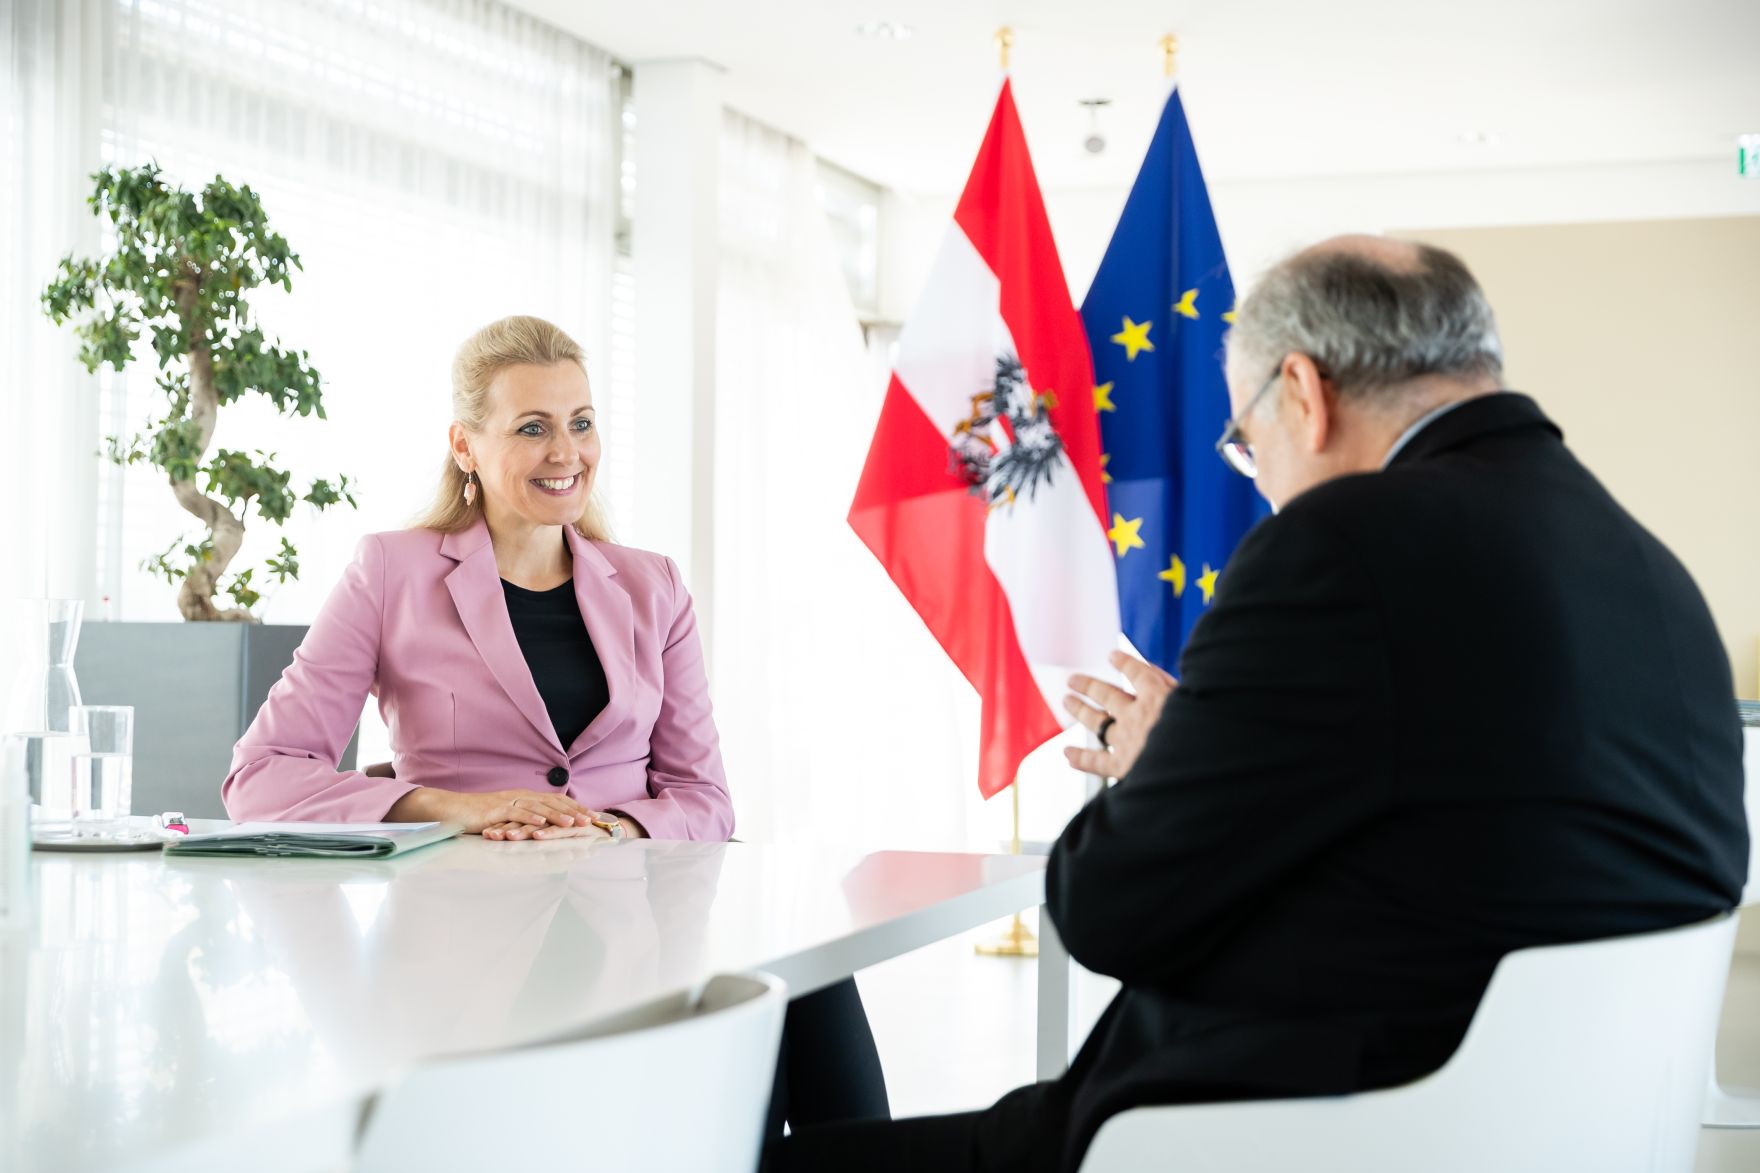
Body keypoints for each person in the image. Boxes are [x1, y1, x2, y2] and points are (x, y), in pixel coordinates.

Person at [767, 236, 1749, 1172]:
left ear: (1301, 393)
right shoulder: (1640, 564)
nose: (1263, 484)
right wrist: (1201, 749)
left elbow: (1109, 914)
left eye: (1243, 445)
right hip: (1535, 1122)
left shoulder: (1345, 541)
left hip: (1295, 1127)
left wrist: (1167, 758)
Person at [224, 314, 888, 1134]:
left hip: (639, 927)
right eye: (531, 428)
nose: (565, 451)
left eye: (580, 423)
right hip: (470, 947)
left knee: (808, 974)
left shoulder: (653, 587)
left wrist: (607, 827)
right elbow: (261, 776)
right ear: (465, 444)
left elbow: (704, 796)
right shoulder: (390, 572)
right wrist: (450, 805)